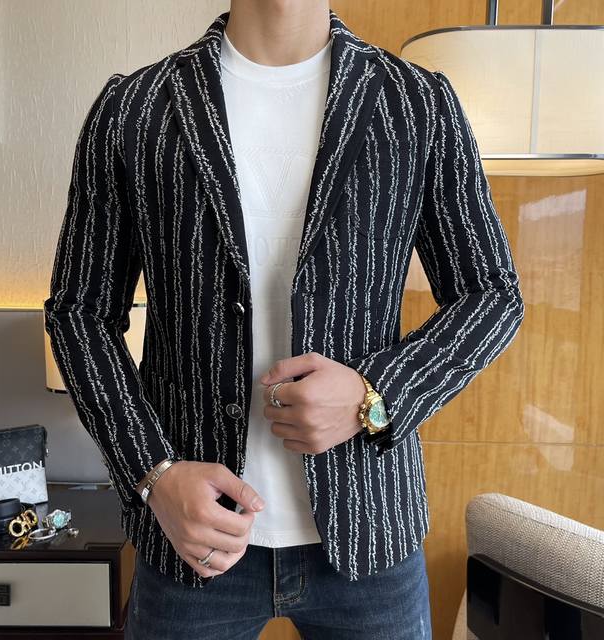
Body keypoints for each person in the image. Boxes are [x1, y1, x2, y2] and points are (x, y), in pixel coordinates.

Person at [43, 1, 524, 638]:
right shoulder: (135, 109)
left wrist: (374, 394)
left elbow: (492, 293)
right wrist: (154, 472)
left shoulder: (416, 104)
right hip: (190, 542)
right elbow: (79, 313)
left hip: (369, 532)